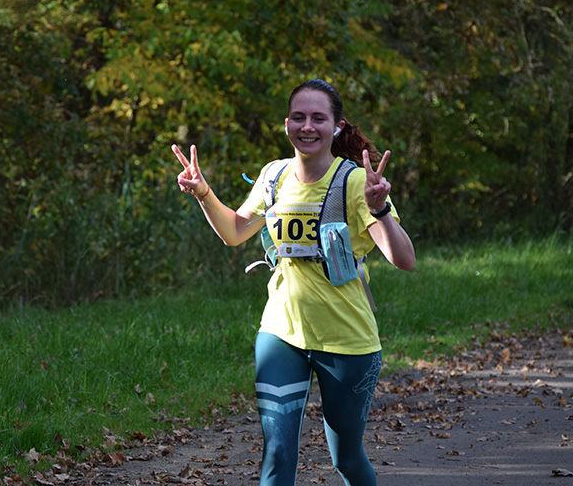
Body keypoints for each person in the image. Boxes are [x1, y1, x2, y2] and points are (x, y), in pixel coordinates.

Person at [172, 79, 415, 486]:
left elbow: (404, 260)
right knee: (278, 453)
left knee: (347, 458)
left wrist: (381, 210)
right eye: (298, 117)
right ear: (286, 124)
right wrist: (203, 193)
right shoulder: (274, 176)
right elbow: (234, 231)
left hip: (347, 340)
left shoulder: (356, 182)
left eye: (318, 118)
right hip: (281, 333)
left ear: (337, 126)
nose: (307, 126)